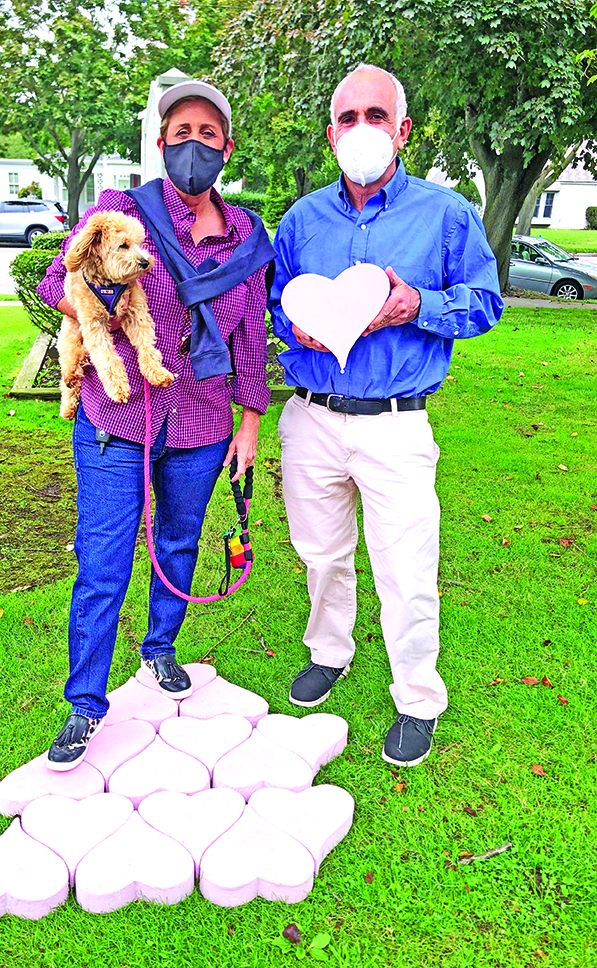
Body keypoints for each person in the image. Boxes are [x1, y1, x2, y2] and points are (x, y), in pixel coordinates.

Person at [269, 63, 503, 767]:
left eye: (376, 116)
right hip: (311, 416)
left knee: (405, 566)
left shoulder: (446, 213)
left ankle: (417, 695)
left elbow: (486, 303)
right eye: (348, 118)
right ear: (330, 133)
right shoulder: (302, 220)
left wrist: (418, 306)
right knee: (321, 554)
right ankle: (330, 651)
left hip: (396, 423)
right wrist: (295, 326)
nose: (361, 129)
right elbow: (279, 302)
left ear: (402, 130)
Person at [38, 80, 274, 771]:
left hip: (202, 420)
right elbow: (59, 281)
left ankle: (161, 648)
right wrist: (99, 302)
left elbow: (250, 341)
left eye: (208, 133)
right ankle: (85, 705)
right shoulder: (124, 210)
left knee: (177, 544)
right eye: (180, 133)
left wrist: (250, 426)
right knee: (104, 564)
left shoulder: (247, 238)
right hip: (117, 417)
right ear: (162, 143)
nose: (193, 145)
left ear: (225, 148)